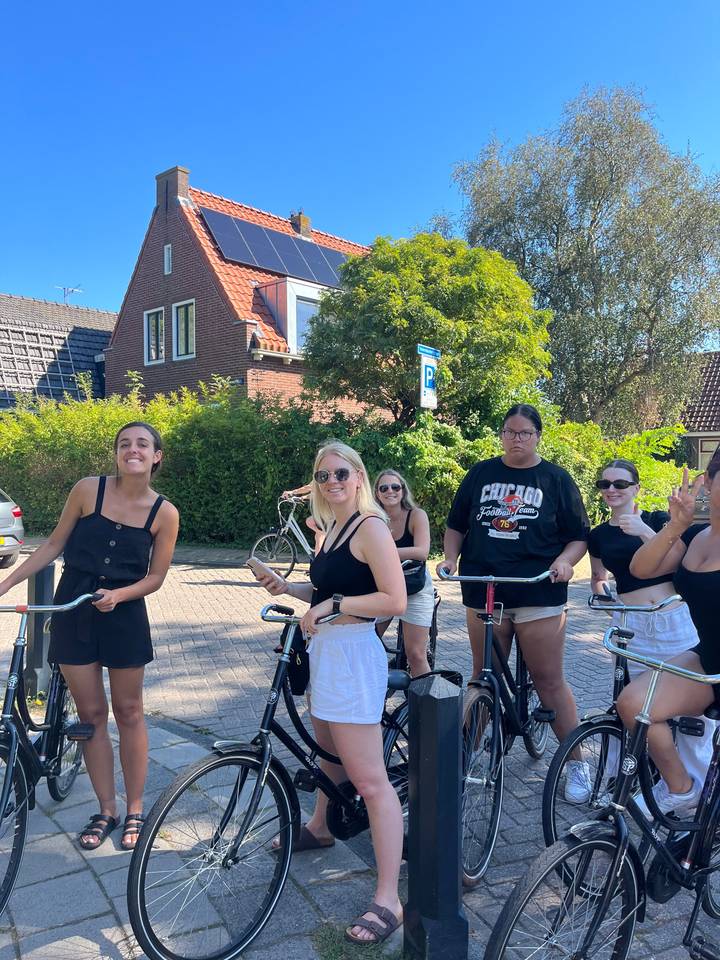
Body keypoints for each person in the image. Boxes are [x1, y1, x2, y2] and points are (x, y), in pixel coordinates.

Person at [252, 440, 406, 945]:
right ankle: (320, 827)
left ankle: (389, 898)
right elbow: (323, 593)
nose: (332, 482)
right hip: (325, 654)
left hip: (354, 657)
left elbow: (394, 600)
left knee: (370, 780)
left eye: (341, 473)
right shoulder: (331, 530)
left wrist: (332, 604)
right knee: (326, 754)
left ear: (358, 477)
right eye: (323, 476)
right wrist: (289, 589)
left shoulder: (371, 528)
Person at [0, 422, 179, 851]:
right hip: (73, 613)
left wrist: (120, 594)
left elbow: (155, 578)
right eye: (123, 444)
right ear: (116, 453)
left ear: (156, 456)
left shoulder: (164, 513)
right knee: (91, 715)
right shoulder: (87, 490)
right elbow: (52, 546)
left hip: (125, 616)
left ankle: (135, 807)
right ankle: (107, 808)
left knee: (130, 710)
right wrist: (6, 584)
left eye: (142, 444)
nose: (131, 450)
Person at [436, 403, 589, 796]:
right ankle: (465, 753)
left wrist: (565, 562)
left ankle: (576, 764)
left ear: (538, 435)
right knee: (481, 676)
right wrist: (451, 558)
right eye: (509, 431)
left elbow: (578, 536)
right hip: (484, 591)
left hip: (538, 591)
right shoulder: (481, 473)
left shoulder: (556, 479)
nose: (516, 439)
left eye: (524, 433)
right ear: (501, 434)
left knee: (549, 680)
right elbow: (456, 525)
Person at [586, 458, 713, 811]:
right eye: (605, 484)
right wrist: (601, 588)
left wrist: (644, 529)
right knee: (641, 703)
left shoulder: (658, 520)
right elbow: (599, 574)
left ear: (636, 488)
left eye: (620, 483)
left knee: (691, 716)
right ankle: (667, 780)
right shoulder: (597, 535)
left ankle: (695, 794)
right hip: (631, 621)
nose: (611, 490)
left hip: (672, 618)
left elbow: (681, 560)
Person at [618, 455, 720, 817]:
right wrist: (674, 527)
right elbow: (640, 568)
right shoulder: (694, 537)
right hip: (708, 660)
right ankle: (681, 789)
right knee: (634, 705)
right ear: (707, 482)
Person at [373, 469, 433, 676]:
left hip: (414, 587)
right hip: (383, 586)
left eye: (395, 487)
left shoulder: (416, 515)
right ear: (377, 494)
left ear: (403, 491)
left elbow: (422, 551)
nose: (390, 491)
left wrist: (383, 552)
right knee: (367, 641)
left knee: (416, 654)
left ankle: (423, 706)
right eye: (384, 488)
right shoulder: (372, 520)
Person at [281, 482, 324, 552]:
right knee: (318, 535)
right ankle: (319, 558)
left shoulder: (323, 473)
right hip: (327, 511)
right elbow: (313, 491)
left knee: (312, 525)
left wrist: (292, 493)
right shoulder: (321, 474)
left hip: (330, 512)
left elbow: (310, 487)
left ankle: (319, 561)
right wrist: (301, 498)